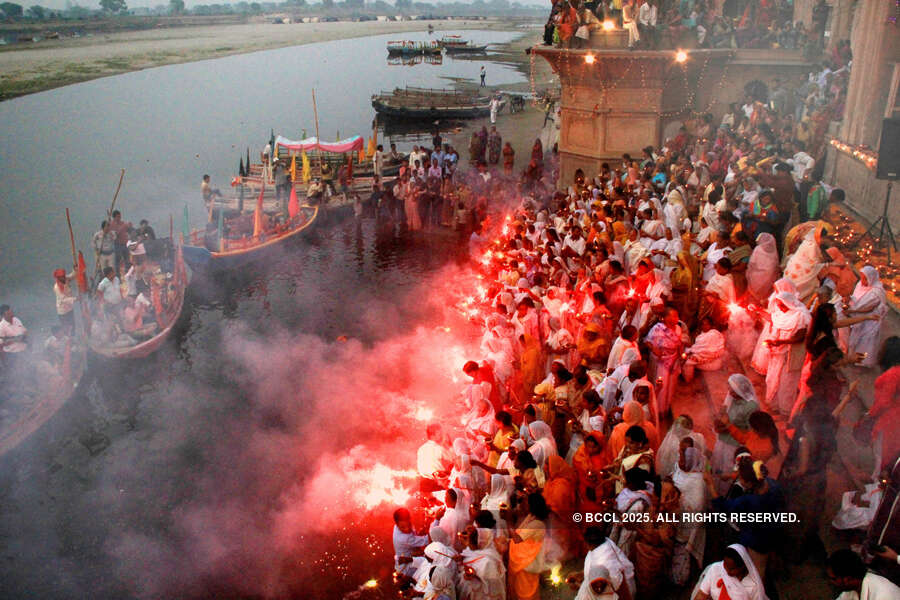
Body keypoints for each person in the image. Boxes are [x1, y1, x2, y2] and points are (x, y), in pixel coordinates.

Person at [690, 544, 768, 600]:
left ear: (743, 566)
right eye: (725, 565)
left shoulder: (753, 586)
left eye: (732, 569)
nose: (727, 572)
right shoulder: (715, 569)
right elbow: (702, 594)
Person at [644, 306, 683, 418]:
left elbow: (679, 344)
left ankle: (666, 408)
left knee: (670, 386)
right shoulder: (657, 328)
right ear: (665, 318)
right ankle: (658, 411)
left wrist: (680, 356)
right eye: (674, 316)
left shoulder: (678, 329)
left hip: (673, 361)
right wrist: (654, 349)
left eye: (677, 315)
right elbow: (647, 341)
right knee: (661, 387)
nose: (677, 318)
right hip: (661, 362)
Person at [846, 265, 887, 368]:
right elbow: (855, 297)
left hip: (870, 321)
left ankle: (862, 361)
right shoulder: (861, 284)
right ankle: (853, 357)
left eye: (865, 278)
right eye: (862, 277)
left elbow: (866, 308)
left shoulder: (876, 293)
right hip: (859, 316)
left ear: (871, 278)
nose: (862, 280)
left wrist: (852, 310)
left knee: (865, 343)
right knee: (855, 339)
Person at [108, 210, 132, 275]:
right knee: (117, 262)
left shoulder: (122, 223)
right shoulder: (111, 225)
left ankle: (128, 274)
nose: (119, 218)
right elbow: (115, 235)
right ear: (115, 217)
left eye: (120, 216)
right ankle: (118, 276)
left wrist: (129, 225)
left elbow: (128, 229)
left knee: (127, 260)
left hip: (125, 244)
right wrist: (123, 227)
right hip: (117, 245)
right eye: (118, 217)